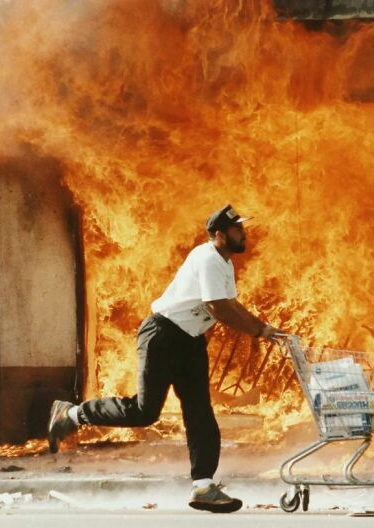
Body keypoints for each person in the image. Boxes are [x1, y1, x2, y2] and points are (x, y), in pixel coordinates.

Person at [47, 204, 281, 513]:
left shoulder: (224, 263)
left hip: (189, 340)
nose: (244, 233)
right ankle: (72, 415)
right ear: (218, 235)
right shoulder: (208, 258)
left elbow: (230, 303)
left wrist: (261, 328)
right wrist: (259, 331)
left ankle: (204, 486)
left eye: (242, 227)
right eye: (237, 229)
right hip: (163, 335)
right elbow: (218, 308)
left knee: (200, 412)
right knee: (145, 412)